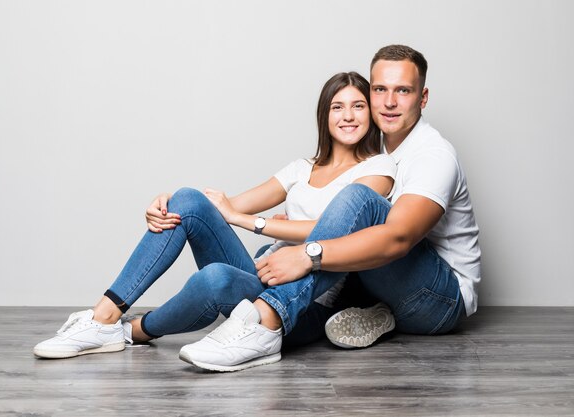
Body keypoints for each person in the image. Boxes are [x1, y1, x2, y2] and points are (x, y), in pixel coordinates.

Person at [33, 71, 397, 359]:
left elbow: (334, 230)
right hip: (264, 274)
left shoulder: (379, 168)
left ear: (370, 113)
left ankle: (131, 332)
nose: (348, 116)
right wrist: (167, 205)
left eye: (358, 106)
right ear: (325, 114)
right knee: (188, 199)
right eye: (338, 106)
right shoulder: (302, 168)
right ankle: (104, 316)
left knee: (215, 280)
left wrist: (253, 223)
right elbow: (226, 208)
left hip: (305, 304)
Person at [180, 44, 481, 372]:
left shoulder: (433, 155)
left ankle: (265, 321)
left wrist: (307, 253)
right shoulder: (374, 144)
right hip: (372, 281)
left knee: (356, 202)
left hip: (437, 299)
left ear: (422, 99)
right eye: (380, 89)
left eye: (403, 91)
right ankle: (375, 313)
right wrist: (177, 207)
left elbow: (398, 238)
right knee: (275, 250)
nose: (390, 102)